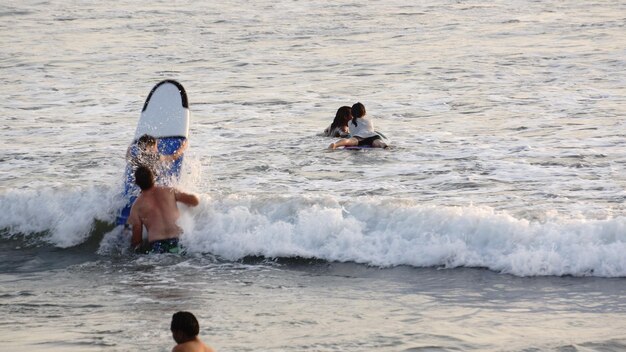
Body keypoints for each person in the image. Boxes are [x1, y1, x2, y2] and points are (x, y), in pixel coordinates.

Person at [128, 166, 199, 254]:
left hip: (158, 246)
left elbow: (137, 238)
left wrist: (132, 250)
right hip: (177, 241)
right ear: (153, 177)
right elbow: (194, 202)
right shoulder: (170, 191)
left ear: (137, 183)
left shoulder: (136, 206)